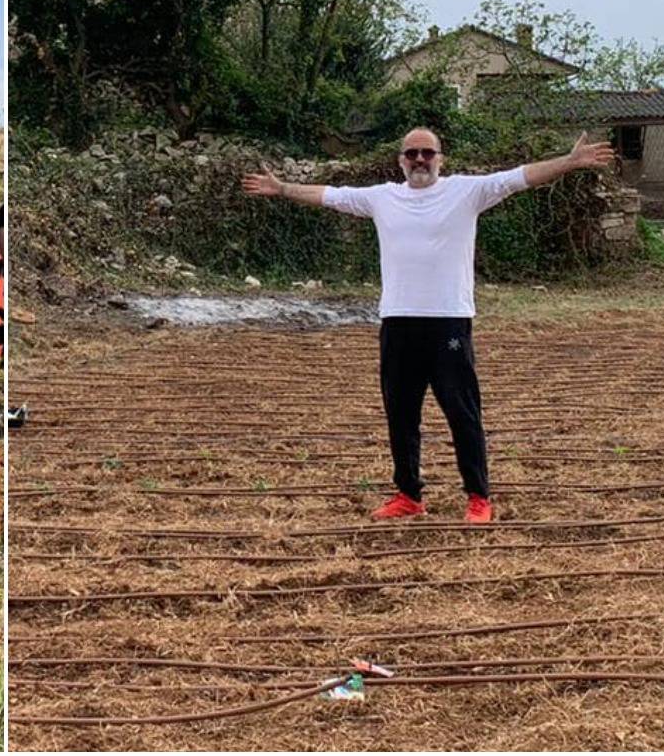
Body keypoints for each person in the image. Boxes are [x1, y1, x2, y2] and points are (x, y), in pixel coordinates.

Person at [242, 128, 615, 522]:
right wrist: (282, 188)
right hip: (398, 322)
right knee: (401, 414)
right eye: (412, 154)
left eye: (427, 153)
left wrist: (570, 162)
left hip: (449, 322)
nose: (420, 160)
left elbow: (521, 176)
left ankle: (478, 497)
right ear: (401, 160)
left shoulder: (467, 191)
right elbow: (330, 196)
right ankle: (408, 495)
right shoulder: (381, 197)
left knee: (462, 412)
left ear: (441, 158)